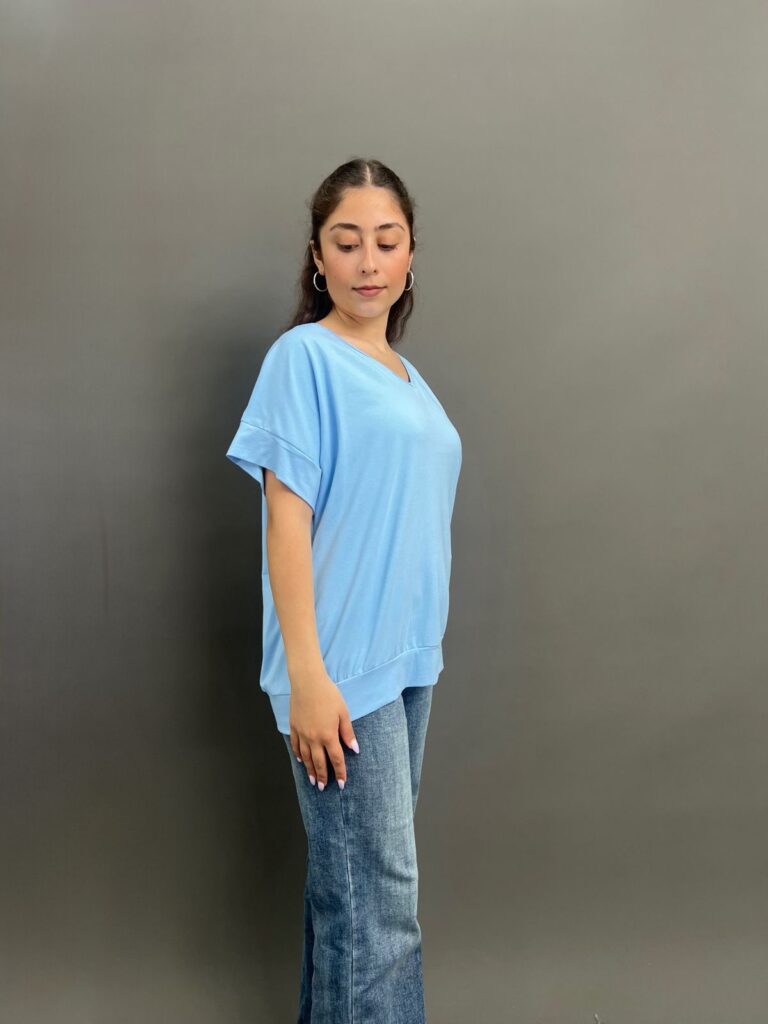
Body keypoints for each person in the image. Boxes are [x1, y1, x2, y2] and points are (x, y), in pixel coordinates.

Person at [225, 157, 462, 1024]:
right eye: (347, 241)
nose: (369, 261)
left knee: (353, 900)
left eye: (387, 241)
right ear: (318, 257)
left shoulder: (404, 375)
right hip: (342, 671)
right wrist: (308, 676)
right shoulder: (303, 358)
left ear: (411, 255)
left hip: (406, 665)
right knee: (380, 910)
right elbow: (284, 524)